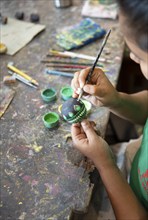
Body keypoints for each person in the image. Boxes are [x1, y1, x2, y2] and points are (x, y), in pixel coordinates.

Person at [71, 0, 148, 219]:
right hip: (135, 165)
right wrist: (114, 100)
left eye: (139, 56)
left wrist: (106, 165)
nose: (131, 57)